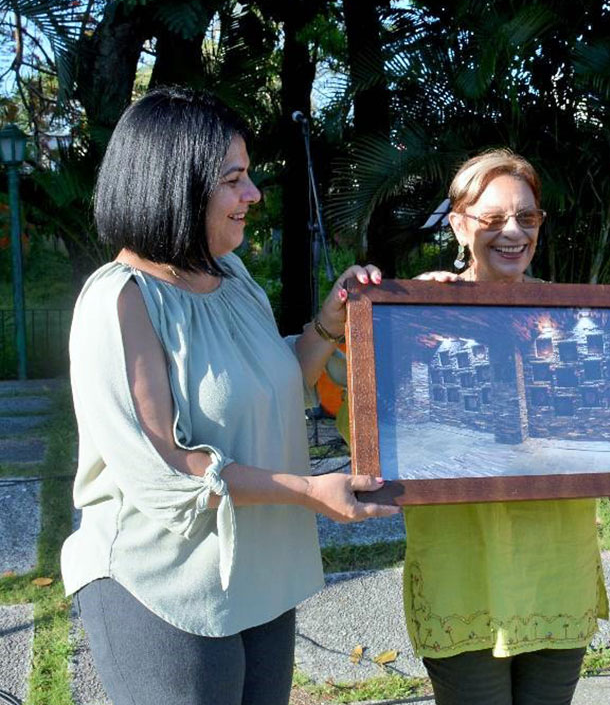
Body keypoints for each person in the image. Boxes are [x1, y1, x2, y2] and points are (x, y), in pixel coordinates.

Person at [62, 87, 399, 705]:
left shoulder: (231, 274)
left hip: (259, 573)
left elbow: (273, 384)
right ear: (176, 187)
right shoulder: (121, 300)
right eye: (233, 179)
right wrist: (308, 493)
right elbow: (169, 472)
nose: (253, 195)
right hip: (164, 583)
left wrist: (331, 319)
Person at [396, 149, 610, 704]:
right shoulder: (417, 312)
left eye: (527, 218)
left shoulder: (569, 316)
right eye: (491, 219)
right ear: (460, 225)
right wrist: (401, 317)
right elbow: (362, 420)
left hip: (556, 574)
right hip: (461, 580)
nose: (512, 232)